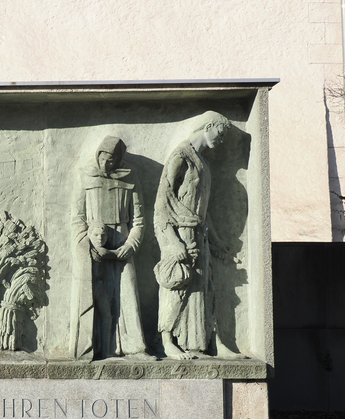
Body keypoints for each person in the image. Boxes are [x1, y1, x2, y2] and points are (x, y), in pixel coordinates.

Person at [69, 136, 155, 361]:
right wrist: (86, 245)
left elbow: (139, 220)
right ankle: (96, 348)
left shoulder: (130, 176)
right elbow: (77, 217)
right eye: (102, 159)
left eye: (110, 161)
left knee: (127, 293)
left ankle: (135, 348)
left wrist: (131, 245)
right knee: (95, 296)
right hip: (93, 245)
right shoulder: (86, 174)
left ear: (118, 160)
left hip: (122, 243)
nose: (105, 164)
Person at [154, 111, 231, 359]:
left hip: (199, 233)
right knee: (178, 284)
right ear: (208, 126)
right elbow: (161, 205)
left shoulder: (202, 162)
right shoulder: (181, 156)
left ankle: (205, 342)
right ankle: (167, 340)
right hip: (180, 232)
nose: (221, 140)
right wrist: (173, 242)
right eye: (220, 133)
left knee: (204, 287)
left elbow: (203, 211)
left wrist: (216, 241)